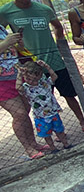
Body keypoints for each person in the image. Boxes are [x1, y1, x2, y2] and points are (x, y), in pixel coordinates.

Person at [0, 0, 84, 135]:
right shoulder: (5, 12)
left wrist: (59, 43)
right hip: (30, 65)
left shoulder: (43, 9)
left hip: (54, 60)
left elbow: (57, 26)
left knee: (70, 94)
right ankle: (55, 132)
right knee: (41, 100)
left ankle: (83, 122)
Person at [0, 24, 48, 158]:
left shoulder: (1, 28)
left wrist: (18, 44)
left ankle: (33, 143)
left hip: (16, 75)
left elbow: (13, 50)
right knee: (19, 113)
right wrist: (5, 43)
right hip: (1, 83)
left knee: (26, 110)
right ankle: (28, 148)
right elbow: (4, 45)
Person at [16, 60, 71, 151]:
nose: (32, 82)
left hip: (53, 112)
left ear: (40, 76)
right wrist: (19, 74)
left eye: (34, 79)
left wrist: (47, 66)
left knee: (59, 130)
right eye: (28, 79)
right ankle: (53, 148)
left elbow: (54, 76)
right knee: (46, 134)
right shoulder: (27, 87)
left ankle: (66, 144)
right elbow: (18, 87)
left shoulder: (44, 83)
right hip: (40, 116)